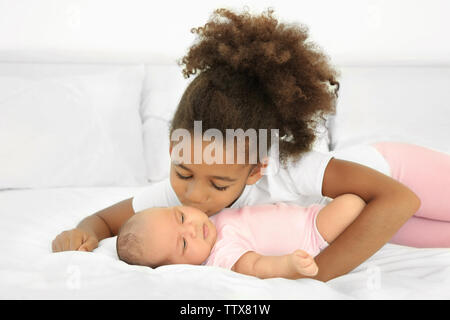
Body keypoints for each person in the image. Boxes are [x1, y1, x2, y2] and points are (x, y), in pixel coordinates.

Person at [52, 8, 450, 282]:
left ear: (257, 168)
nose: (195, 195)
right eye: (183, 172)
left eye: (220, 184)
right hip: (371, 220)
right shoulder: (179, 203)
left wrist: (319, 274)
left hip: (396, 173)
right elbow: (106, 221)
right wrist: (83, 231)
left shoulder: (292, 168)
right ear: (173, 148)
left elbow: (400, 199)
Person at [115, 194, 366, 279]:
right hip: (313, 233)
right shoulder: (221, 255)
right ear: (178, 266)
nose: (191, 228)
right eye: (183, 243)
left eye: (181, 217)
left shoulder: (210, 218)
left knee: (357, 203)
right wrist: (289, 265)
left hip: (310, 212)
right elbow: (256, 266)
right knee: (354, 203)